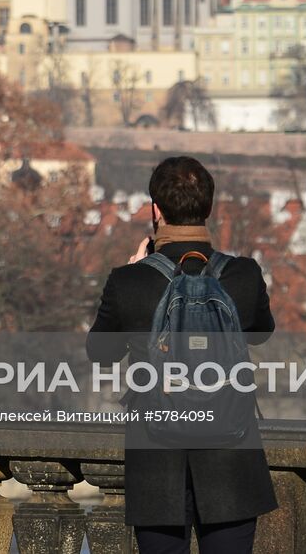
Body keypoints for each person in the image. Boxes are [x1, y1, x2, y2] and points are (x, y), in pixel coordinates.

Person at [88, 156, 276, 554]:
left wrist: (133, 271)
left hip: (156, 458)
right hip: (231, 453)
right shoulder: (243, 274)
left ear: (156, 211)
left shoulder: (130, 280)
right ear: (209, 208)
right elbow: (261, 334)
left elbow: (100, 353)